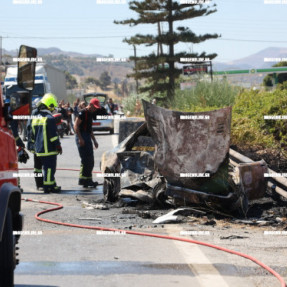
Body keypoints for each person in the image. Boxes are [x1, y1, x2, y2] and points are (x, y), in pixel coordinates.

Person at [27, 93, 62, 193]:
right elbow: (53, 136)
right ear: (49, 106)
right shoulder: (50, 119)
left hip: (38, 149)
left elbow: (31, 133)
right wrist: (58, 146)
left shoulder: (35, 117)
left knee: (41, 167)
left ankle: (49, 185)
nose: (53, 109)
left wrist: (32, 145)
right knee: (50, 168)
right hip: (49, 149)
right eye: (53, 107)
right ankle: (48, 186)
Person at [74, 98, 99, 188]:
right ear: (90, 105)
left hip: (87, 136)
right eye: (94, 107)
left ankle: (88, 180)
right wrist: (80, 139)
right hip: (81, 136)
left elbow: (90, 129)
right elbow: (75, 126)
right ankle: (83, 180)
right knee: (85, 160)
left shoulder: (90, 114)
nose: (95, 109)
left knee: (90, 161)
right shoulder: (82, 113)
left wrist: (94, 140)